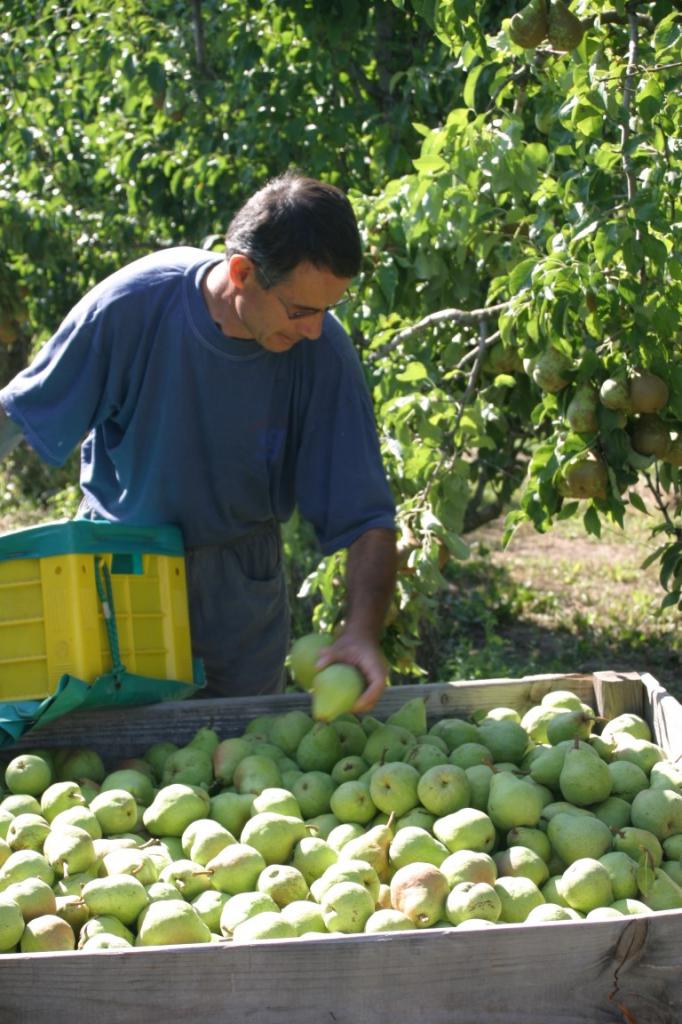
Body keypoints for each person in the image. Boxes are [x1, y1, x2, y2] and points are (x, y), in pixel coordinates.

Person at [0, 171, 397, 712]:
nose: (313, 328)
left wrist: (361, 631)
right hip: (122, 573)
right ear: (242, 272)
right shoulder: (135, 304)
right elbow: (19, 412)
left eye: (328, 310)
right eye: (301, 310)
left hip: (239, 589)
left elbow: (368, 514)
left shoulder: (321, 349)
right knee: (113, 769)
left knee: (240, 766)